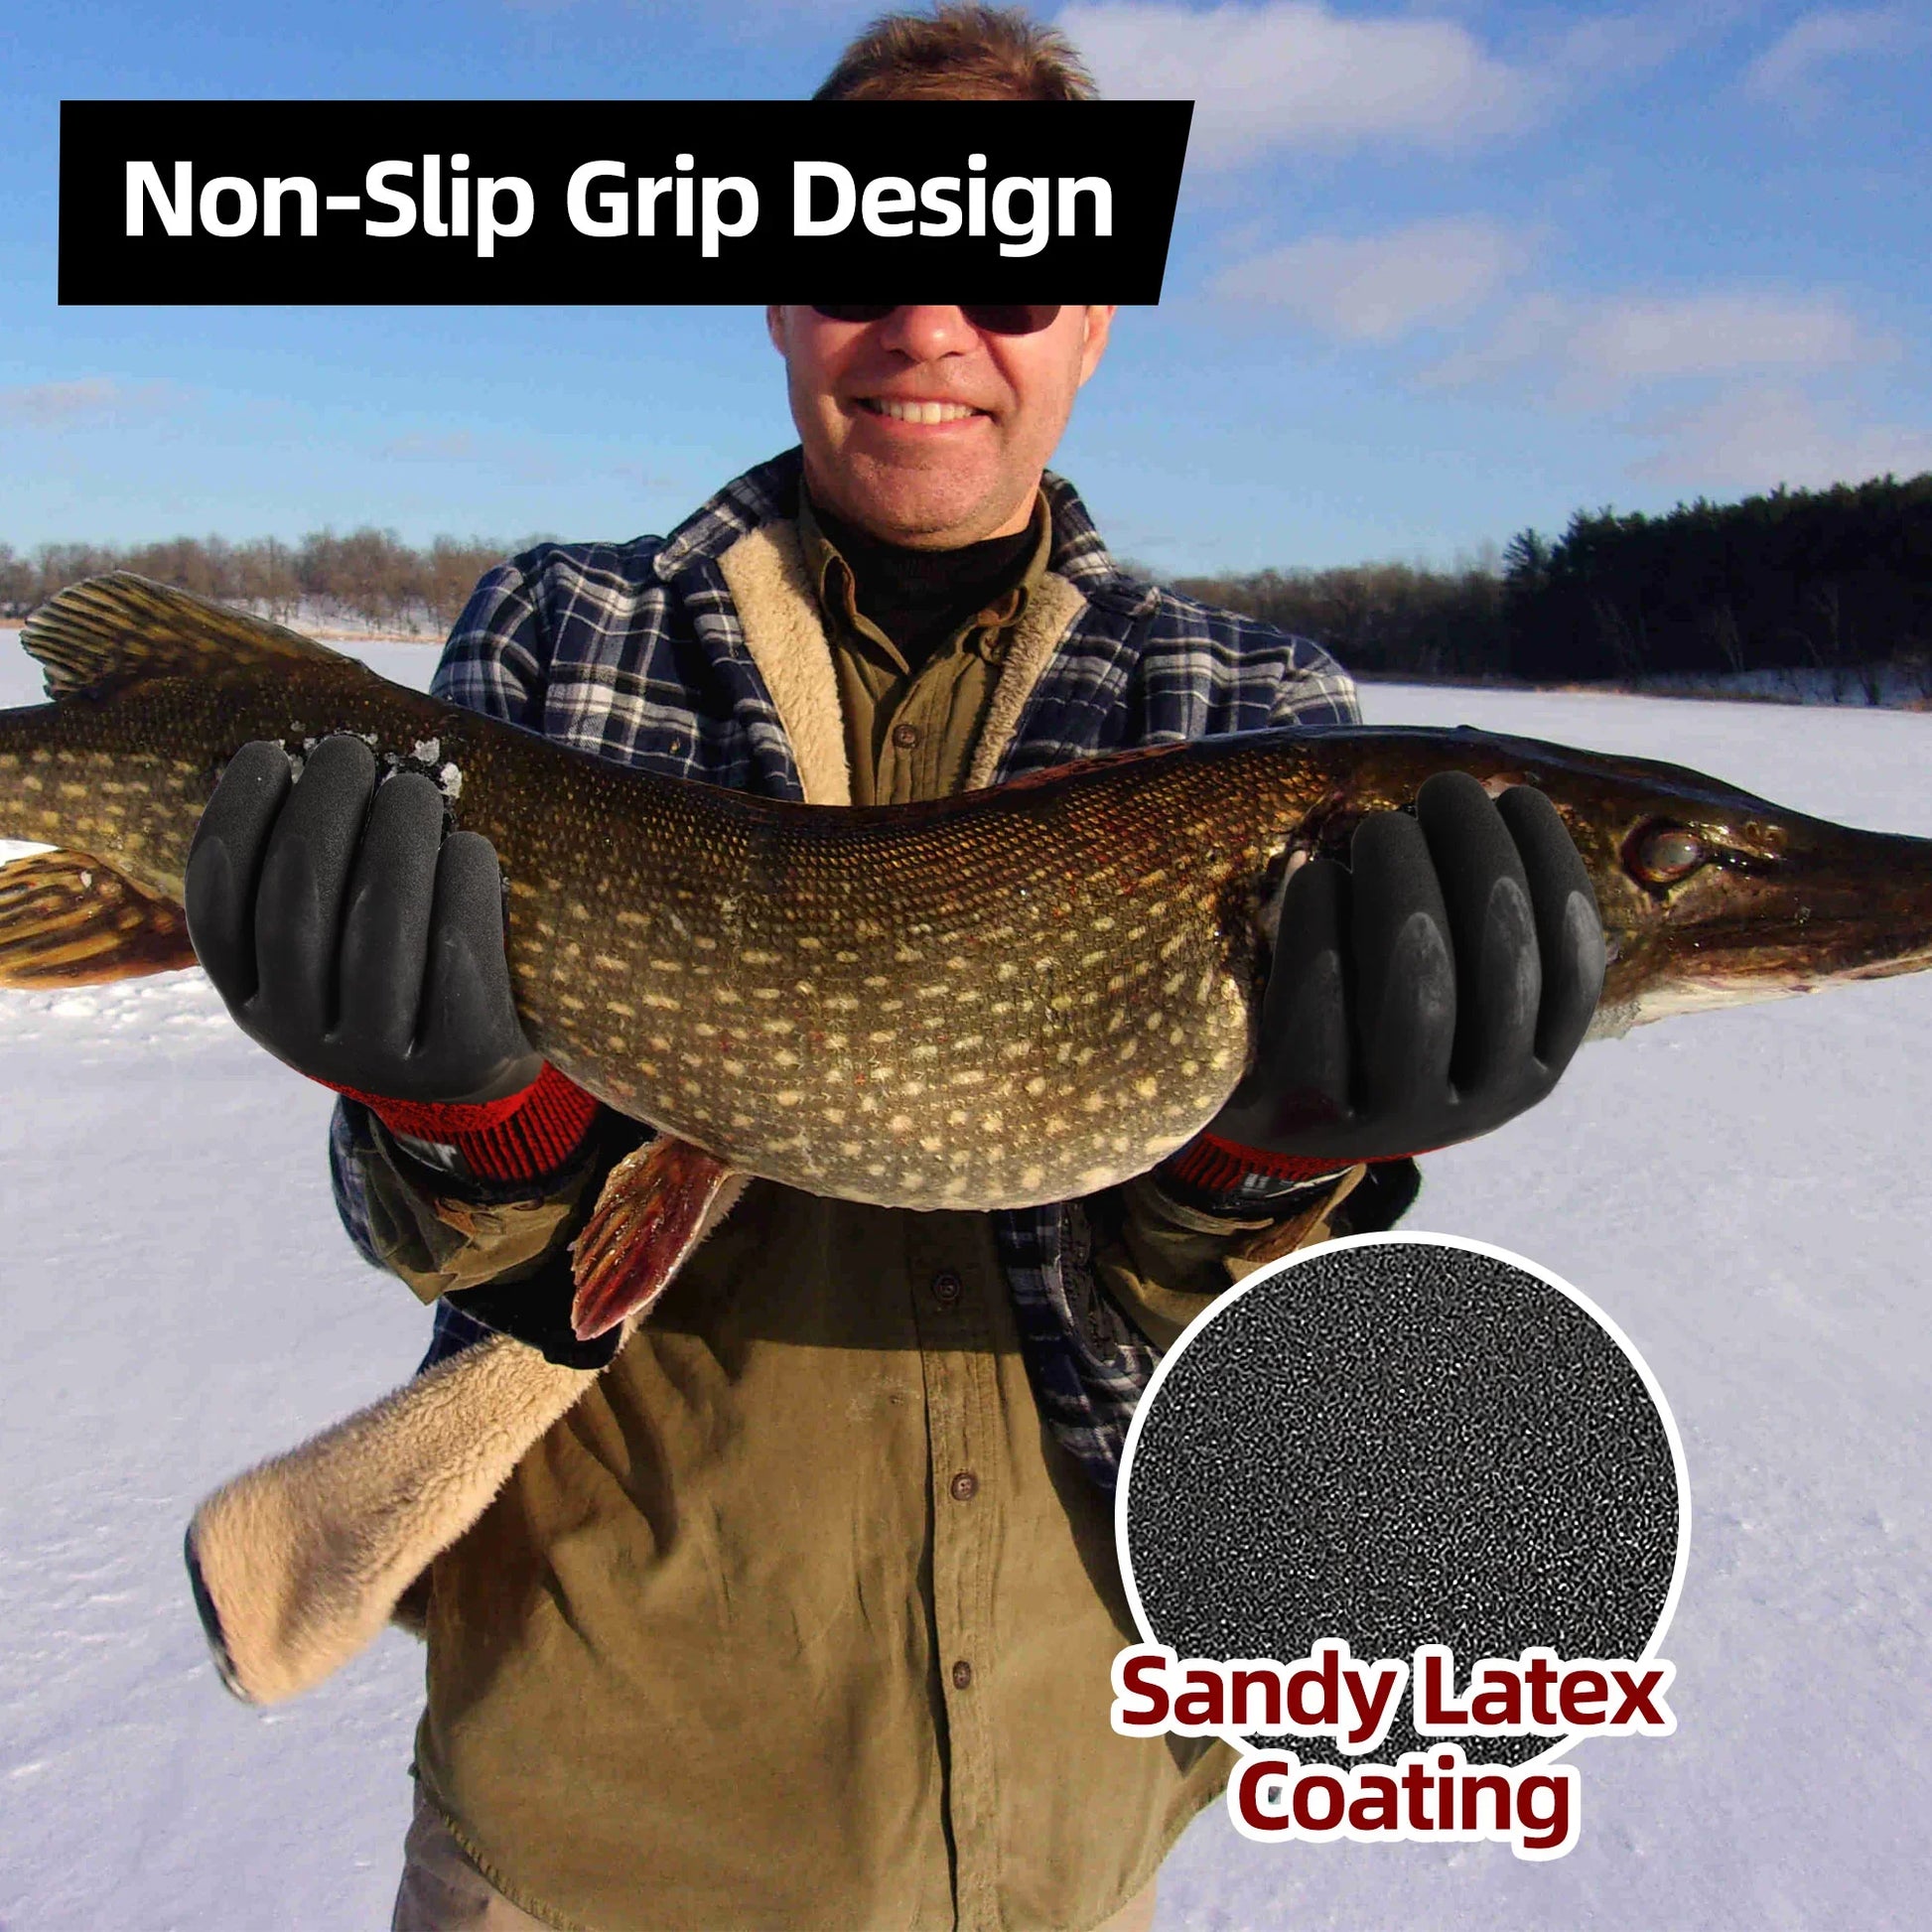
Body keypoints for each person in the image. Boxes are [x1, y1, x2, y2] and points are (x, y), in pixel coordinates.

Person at [182, 9, 1604, 1928]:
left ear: (1094, 316)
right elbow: (430, 1232)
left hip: (1058, 1827)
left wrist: (1266, 1182)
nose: (932, 318)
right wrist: (472, 1127)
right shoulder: (565, 632)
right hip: (584, 1814)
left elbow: (1251, 1369)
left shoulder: (1254, 714)